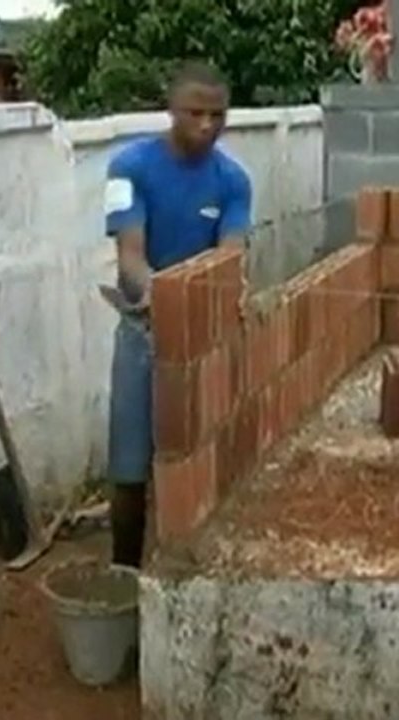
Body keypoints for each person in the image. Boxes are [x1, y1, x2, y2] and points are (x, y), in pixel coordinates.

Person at [102, 61, 252, 568]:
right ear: (172, 109)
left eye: (218, 115)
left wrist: (208, 301)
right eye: (195, 113)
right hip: (143, 333)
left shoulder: (233, 181)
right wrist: (162, 297)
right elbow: (129, 258)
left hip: (204, 335)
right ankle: (124, 577)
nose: (207, 126)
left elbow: (230, 255)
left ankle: (188, 571)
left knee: (197, 462)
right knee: (129, 472)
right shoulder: (129, 167)